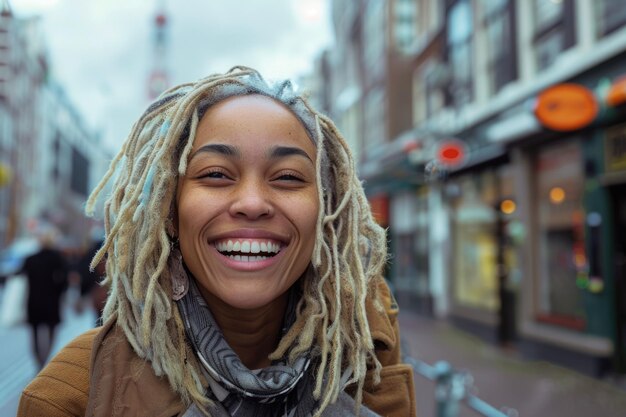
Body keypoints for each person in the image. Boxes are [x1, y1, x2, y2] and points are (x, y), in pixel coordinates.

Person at [17, 67, 416, 417]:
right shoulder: (71, 398)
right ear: (169, 212)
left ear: (325, 214)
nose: (252, 203)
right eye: (215, 174)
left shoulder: (372, 357)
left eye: (288, 177)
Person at [20, 228, 68, 370]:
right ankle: (46, 358)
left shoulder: (30, 259)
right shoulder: (58, 258)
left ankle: (38, 360)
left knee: (34, 332)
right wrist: (58, 292)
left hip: (33, 302)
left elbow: (21, 275)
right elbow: (64, 281)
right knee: (52, 330)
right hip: (52, 302)